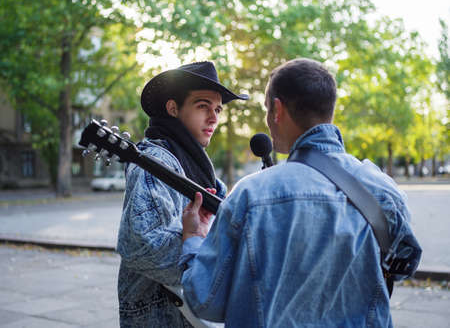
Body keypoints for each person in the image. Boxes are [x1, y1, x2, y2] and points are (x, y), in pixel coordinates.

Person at [180, 58, 422, 327]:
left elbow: (205, 300)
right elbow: (402, 267)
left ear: (277, 109)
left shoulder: (250, 195)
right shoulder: (383, 189)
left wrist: (193, 239)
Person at [116, 61, 248, 327]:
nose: (214, 118)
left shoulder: (204, 174)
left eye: (218, 109)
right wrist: (193, 240)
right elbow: (141, 247)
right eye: (203, 106)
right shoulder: (154, 164)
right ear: (173, 108)